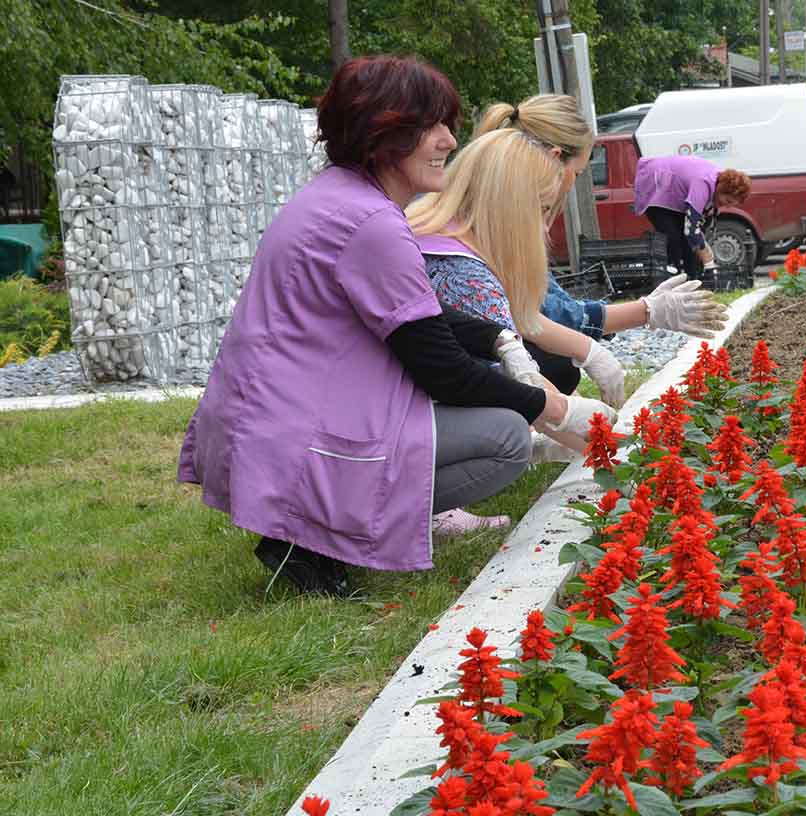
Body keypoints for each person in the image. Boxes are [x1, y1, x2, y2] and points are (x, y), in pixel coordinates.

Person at [178, 56, 616, 597]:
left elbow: (419, 316)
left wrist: (497, 337)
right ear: (382, 133)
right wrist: (559, 410)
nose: (448, 142)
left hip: (264, 427)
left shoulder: (337, 197)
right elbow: (443, 372)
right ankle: (316, 534)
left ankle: (311, 524)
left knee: (502, 412)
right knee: (505, 438)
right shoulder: (373, 224)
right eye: (430, 127)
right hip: (294, 440)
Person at [411, 97, 725, 411]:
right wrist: (579, 423)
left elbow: (527, 314)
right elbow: (543, 321)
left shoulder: (453, 218)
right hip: (435, 410)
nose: (546, 226)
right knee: (544, 382)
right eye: (578, 171)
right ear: (554, 159)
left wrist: (592, 356)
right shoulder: (463, 267)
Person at [633, 155, 751, 282]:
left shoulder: (715, 184)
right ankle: (674, 278)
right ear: (721, 190)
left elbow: (696, 231)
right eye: (727, 200)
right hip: (655, 183)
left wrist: (701, 247)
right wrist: (708, 260)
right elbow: (691, 228)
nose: (727, 206)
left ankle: (693, 278)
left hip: (675, 191)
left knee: (688, 241)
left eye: (731, 204)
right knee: (673, 237)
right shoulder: (703, 184)